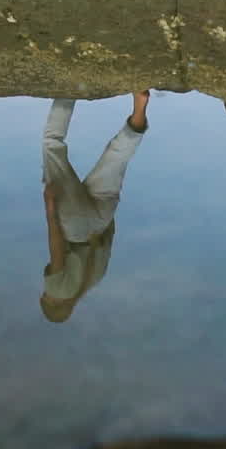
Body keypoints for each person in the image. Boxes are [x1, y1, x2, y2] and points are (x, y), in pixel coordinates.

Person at [40, 91, 149, 323]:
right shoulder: (58, 291)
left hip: (102, 219)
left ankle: (139, 107)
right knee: (52, 144)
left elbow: (109, 238)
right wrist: (50, 206)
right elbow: (57, 249)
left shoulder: (94, 279)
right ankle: (68, 89)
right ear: (51, 302)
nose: (45, 293)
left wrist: (103, 212)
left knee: (116, 158)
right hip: (74, 226)